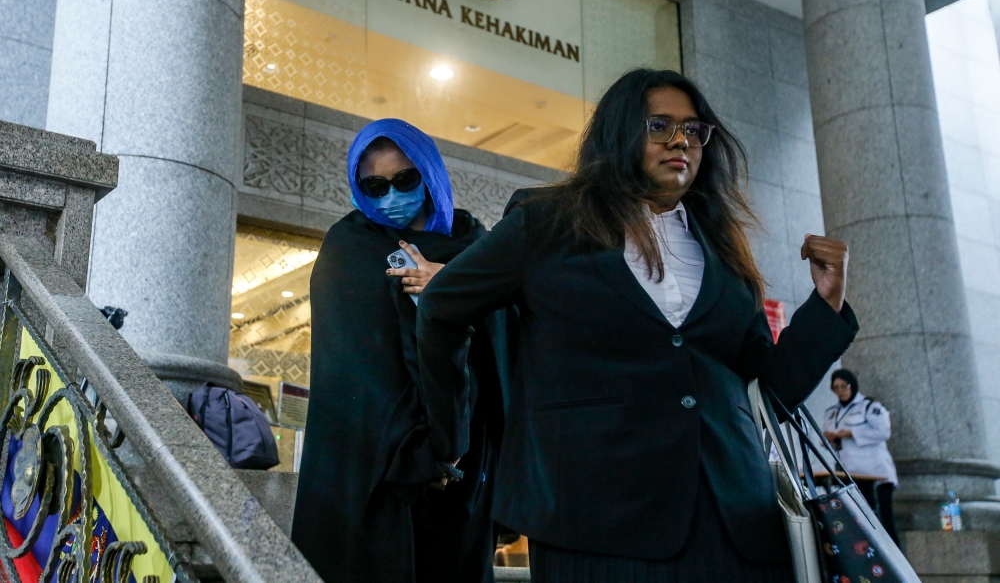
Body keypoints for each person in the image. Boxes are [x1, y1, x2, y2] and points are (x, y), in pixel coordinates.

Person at [415, 68, 860, 582]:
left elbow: (769, 390)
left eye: (694, 130)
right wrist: (451, 436)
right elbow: (442, 306)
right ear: (620, 132)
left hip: (733, 518)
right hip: (593, 518)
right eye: (659, 126)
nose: (680, 141)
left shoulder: (722, 247)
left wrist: (825, 304)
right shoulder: (547, 223)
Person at [291, 118, 507, 583]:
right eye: (374, 185)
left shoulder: (475, 244)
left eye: (405, 179)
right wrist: (419, 452)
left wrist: (447, 287)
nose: (391, 194)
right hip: (376, 464)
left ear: (429, 174)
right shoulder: (349, 248)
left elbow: (502, 347)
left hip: (466, 468)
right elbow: (352, 366)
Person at [823, 368, 899, 544]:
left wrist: (851, 433)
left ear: (853, 386)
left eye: (844, 386)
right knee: (860, 522)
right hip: (850, 472)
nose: (841, 391)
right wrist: (830, 439)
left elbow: (883, 431)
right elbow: (828, 439)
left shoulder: (870, 407)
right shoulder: (832, 412)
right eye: (836, 388)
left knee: (883, 521)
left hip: (875, 473)